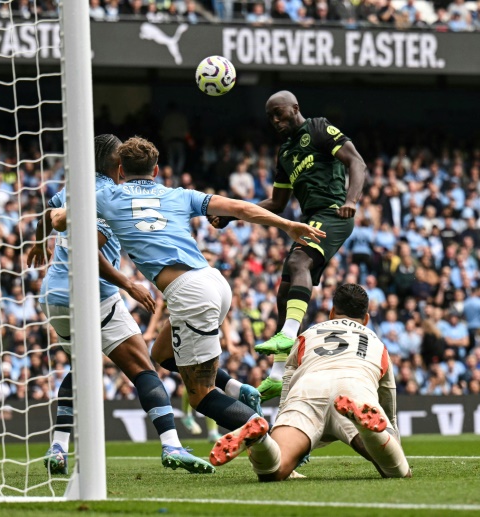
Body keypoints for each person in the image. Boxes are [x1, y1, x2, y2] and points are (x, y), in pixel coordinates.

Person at [54, 136, 325, 460]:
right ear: (156, 170)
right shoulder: (177, 194)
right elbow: (239, 207)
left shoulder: (107, 195)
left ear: (121, 170)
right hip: (215, 283)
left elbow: (61, 218)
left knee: (200, 396)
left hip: (189, 295)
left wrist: (53, 221)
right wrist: (286, 224)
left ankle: (262, 430)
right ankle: (241, 392)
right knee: (161, 353)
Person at [28, 134, 215, 476]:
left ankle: (57, 446)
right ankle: (172, 444)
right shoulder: (111, 195)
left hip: (53, 296)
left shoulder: (75, 187)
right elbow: (88, 246)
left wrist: (41, 241)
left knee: (81, 368)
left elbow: (50, 211)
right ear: (119, 166)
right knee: (143, 367)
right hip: (92, 295)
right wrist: (128, 284)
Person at [211, 90, 367, 401]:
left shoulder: (319, 128)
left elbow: (356, 161)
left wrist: (351, 200)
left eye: (279, 114)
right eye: (270, 117)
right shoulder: (285, 153)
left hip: (334, 213)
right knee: (284, 289)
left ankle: (288, 335)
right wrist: (232, 215)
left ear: (295, 108)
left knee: (299, 263)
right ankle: (277, 375)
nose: (275, 121)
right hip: (309, 220)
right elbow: (278, 203)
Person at [211, 284, 410, 481]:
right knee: (395, 469)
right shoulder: (377, 344)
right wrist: (395, 444)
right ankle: (370, 433)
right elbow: (389, 408)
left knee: (273, 470)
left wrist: (280, 427)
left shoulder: (307, 335)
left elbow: (287, 390)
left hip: (309, 389)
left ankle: (261, 440)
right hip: (354, 390)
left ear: (332, 312)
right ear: (366, 318)